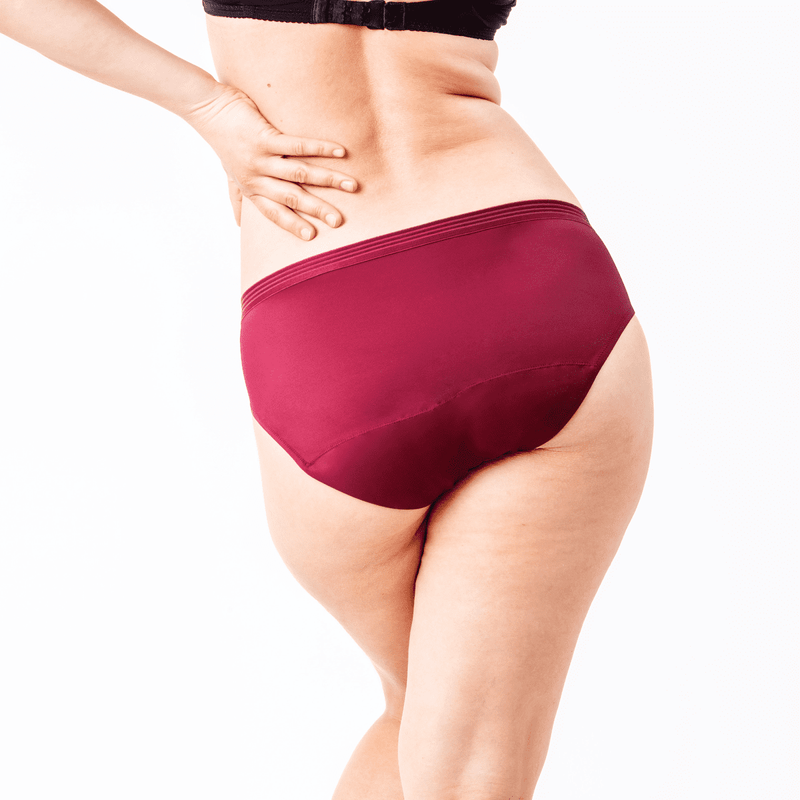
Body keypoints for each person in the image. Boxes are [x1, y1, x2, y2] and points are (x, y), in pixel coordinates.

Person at [1, 1, 655, 797]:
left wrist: (208, 107)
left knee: (418, 712)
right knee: (463, 758)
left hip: (330, 308)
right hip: (528, 269)